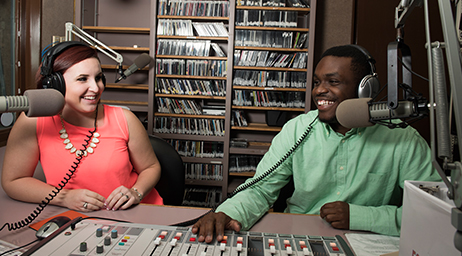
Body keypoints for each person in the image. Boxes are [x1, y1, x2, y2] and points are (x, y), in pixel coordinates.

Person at [191, 44, 442, 241]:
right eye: (317, 82)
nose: (319, 91)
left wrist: (360, 216)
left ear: (366, 90)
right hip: (299, 238)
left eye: (333, 82)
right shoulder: (297, 129)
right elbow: (260, 189)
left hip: (370, 243)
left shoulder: (402, 138)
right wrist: (227, 213)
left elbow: (433, 212)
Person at [1, 41, 163, 212]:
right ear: (56, 84)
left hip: (135, 214)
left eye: (98, 78)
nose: (96, 88)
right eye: (82, 79)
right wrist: (64, 197)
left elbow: (151, 167)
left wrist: (136, 193)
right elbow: (14, 181)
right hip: (74, 219)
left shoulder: (125, 119)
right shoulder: (32, 120)